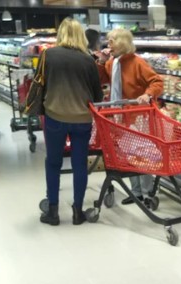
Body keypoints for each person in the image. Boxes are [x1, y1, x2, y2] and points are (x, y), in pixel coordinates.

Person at [39, 18, 103, 226]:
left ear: (61, 34)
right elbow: (97, 95)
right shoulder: (88, 60)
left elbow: (39, 84)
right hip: (82, 119)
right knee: (79, 164)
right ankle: (77, 212)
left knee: (53, 163)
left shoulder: (48, 55)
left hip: (55, 115)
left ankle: (53, 212)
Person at [96, 28, 163, 206]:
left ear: (122, 43)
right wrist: (101, 62)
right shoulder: (112, 63)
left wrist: (147, 94)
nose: (108, 44)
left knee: (143, 154)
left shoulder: (137, 62)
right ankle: (136, 192)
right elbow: (101, 80)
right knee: (129, 153)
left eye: (112, 41)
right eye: (108, 41)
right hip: (119, 114)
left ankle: (147, 192)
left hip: (138, 116)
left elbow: (156, 81)